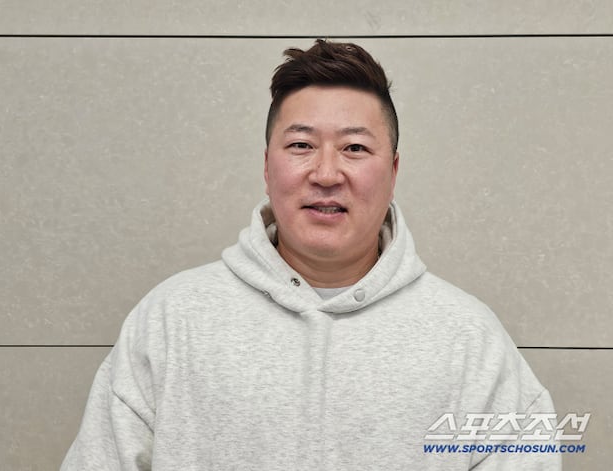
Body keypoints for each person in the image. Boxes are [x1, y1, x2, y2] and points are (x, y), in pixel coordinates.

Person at [62, 40, 561, 470]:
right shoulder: (172, 320)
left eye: (355, 148)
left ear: (393, 171)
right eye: (301, 145)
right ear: (267, 167)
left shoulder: (469, 338)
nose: (326, 174)